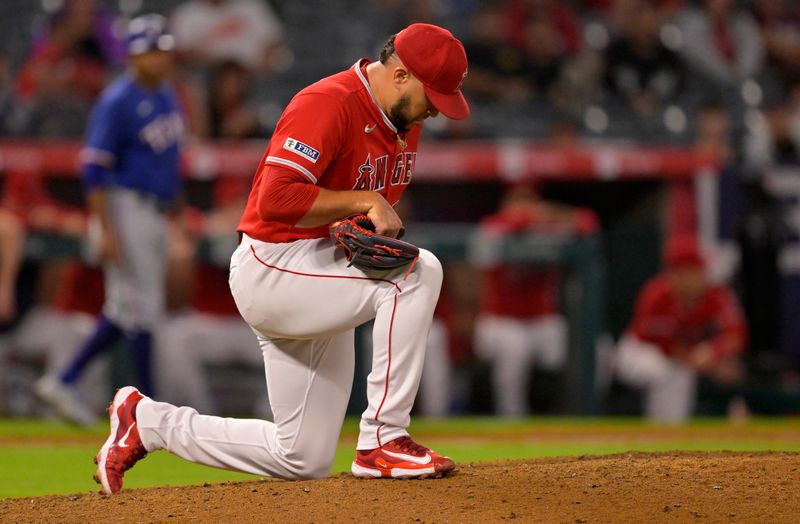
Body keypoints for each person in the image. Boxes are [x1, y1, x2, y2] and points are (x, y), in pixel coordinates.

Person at [94, 23, 469, 494]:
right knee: (416, 273)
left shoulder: (402, 122)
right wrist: (363, 201)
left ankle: (147, 422)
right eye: (431, 94)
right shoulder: (329, 101)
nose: (436, 109)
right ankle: (383, 438)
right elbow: (274, 198)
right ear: (400, 75)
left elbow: (350, 208)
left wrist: (358, 217)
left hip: (318, 269)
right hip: (273, 265)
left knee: (300, 456)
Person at [34, 15, 184, 424]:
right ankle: (148, 408)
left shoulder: (168, 94)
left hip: (154, 208)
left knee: (126, 308)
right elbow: (94, 168)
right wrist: (104, 228)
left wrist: (178, 214)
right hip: (124, 207)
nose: (160, 57)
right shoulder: (117, 99)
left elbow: (168, 164)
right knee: (143, 307)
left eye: (162, 49)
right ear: (133, 55)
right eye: (151, 50)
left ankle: (63, 380)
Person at [473, 184, 598, 417]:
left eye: (529, 205)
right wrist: (531, 218)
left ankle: (572, 414)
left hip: (542, 321)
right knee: (515, 348)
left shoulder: (547, 228)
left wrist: (549, 218)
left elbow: (588, 223)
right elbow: (501, 226)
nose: (524, 211)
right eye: (517, 206)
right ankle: (512, 418)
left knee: (583, 348)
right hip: (500, 322)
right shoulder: (493, 227)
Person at [614, 234, 748, 422]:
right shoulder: (657, 295)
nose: (699, 277)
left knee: (682, 373)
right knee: (668, 373)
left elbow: (736, 335)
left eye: (699, 271)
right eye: (691, 271)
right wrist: (700, 359)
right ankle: (663, 434)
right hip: (638, 351)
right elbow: (662, 345)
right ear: (676, 273)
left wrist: (715, 353)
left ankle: (671, 435)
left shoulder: (717, 295)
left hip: (682, 356)